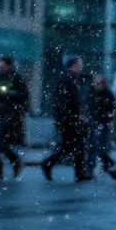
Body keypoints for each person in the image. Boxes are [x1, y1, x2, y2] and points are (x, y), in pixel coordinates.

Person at [42, 54, 89, 182]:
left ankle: (78, 172)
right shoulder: (66, 80)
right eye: (79, 65)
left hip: (70, 120)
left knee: (75, 146)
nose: (81, 68)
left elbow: (73, 101)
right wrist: (73, 117)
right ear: (72, 66)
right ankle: (49, 163)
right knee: (72, 146)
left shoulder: (72, 80)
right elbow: (63, 103)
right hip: (68, 121)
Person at [85, 73, 116, 177]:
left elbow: (112, 107)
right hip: (94, 122)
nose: (97, 86)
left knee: (99, 145)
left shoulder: (107, 94)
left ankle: (104, 162)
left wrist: (108, 117)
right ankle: (93, 166)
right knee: (94, 145)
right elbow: (88, 106)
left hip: (102, 122)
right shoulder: (92, 92)